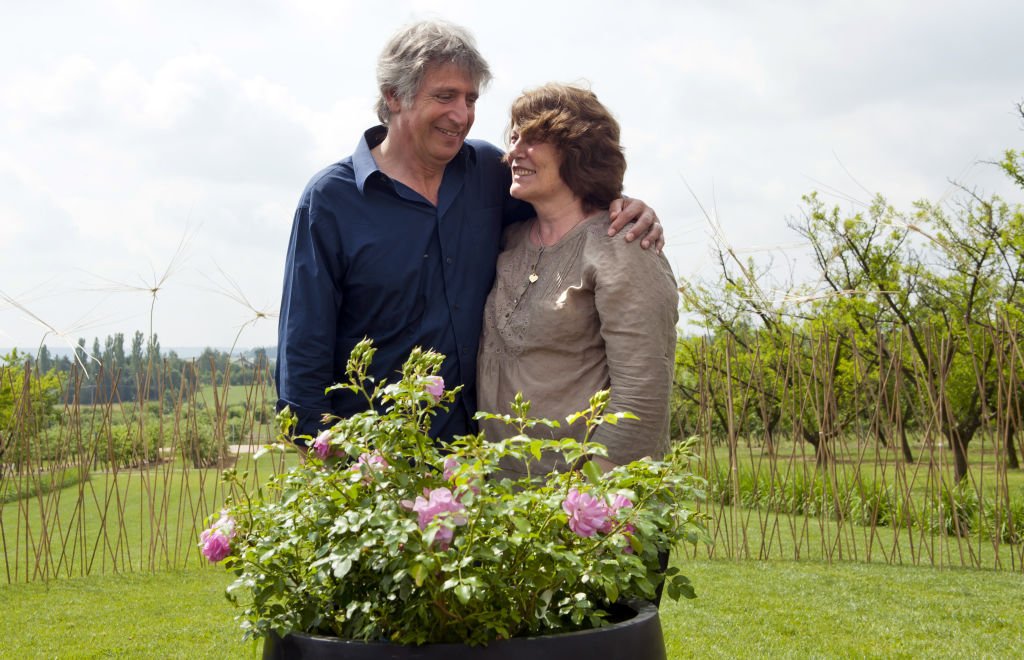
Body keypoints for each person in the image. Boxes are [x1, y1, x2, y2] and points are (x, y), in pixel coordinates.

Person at [275, 21, 664, 444]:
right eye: (445, 96)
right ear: (394, 96)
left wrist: (623, 205)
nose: (462, 116)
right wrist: (340, 470)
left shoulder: (487, 173)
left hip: (478, 470)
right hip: (378, 467)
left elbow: (567, 202)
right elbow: (303, 356)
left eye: (470, 99)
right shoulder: (331, 200)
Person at [476, 83, 679, 474]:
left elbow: (642, 396)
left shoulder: (624, 245)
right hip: (498, 506)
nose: (514, 151)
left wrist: (585, 500)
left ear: (578, 151)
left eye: (534, 138)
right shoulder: (510, 241)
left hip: (579, 507)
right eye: (514, 136)